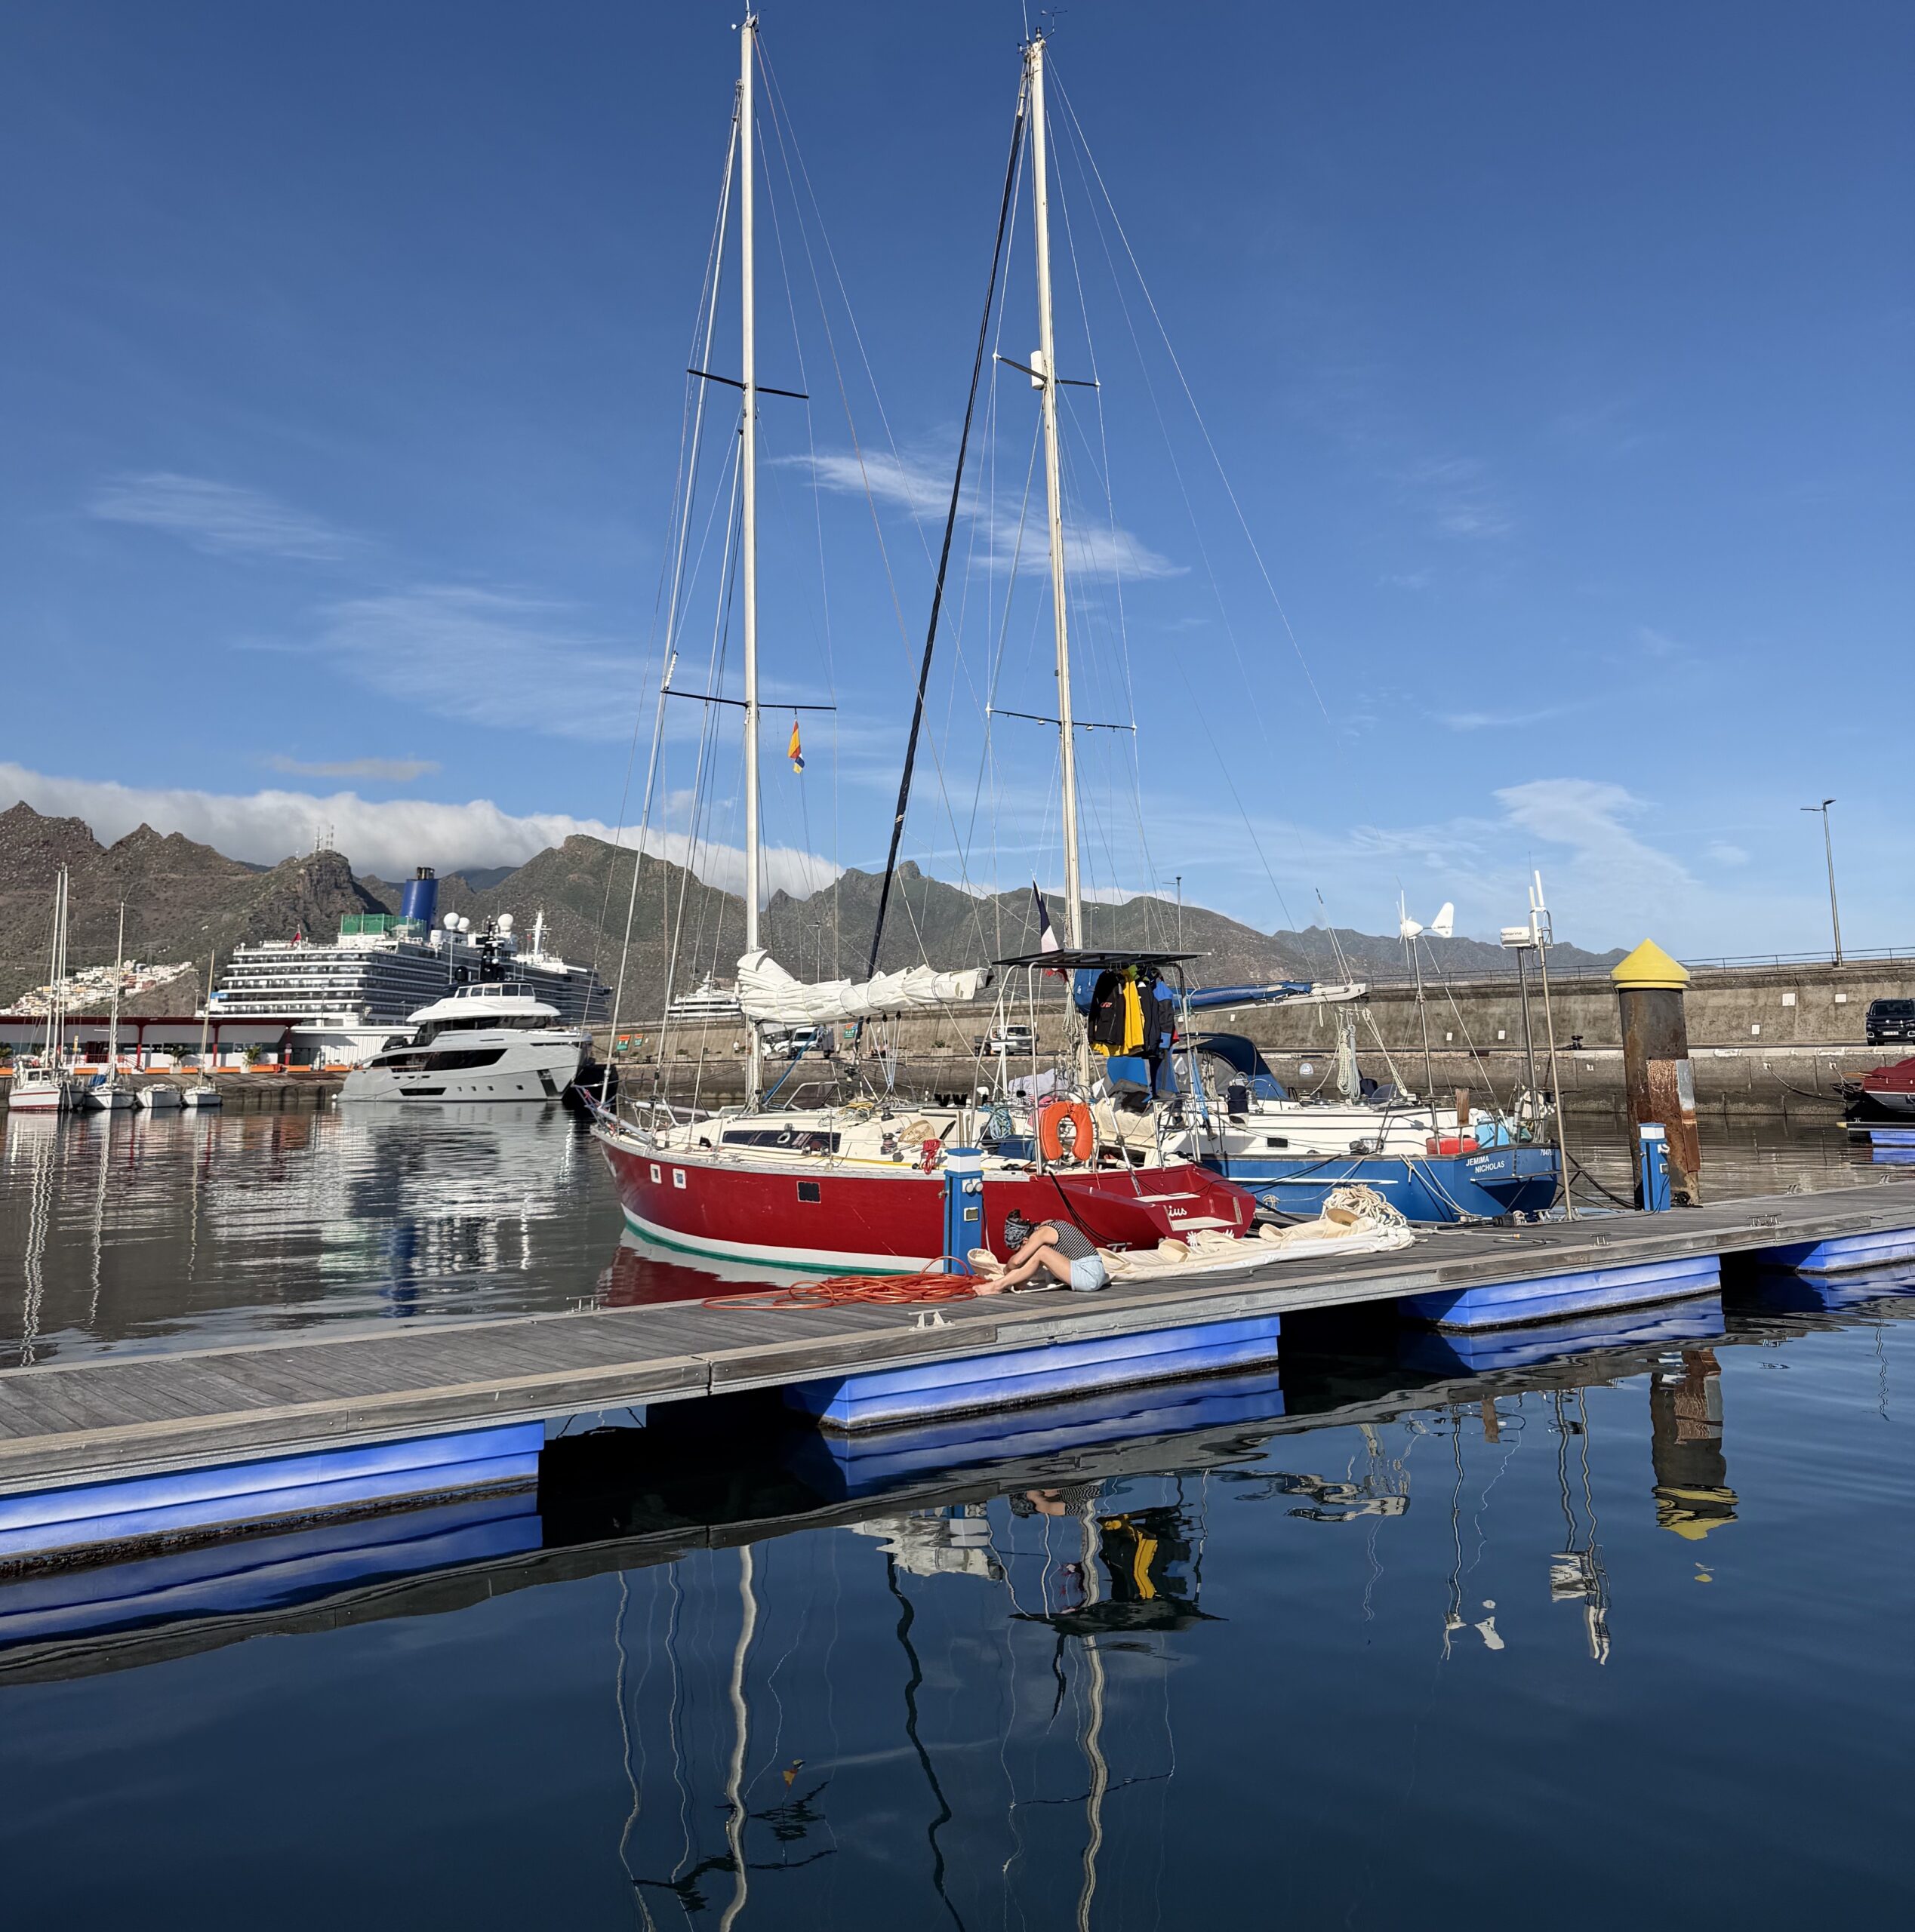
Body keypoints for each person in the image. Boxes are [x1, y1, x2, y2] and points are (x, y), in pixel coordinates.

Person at [984, 1210, 1109, 1294]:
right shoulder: (1048, 1225)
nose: (1021, 1252)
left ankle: (998, 1286)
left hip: (1089, 1276)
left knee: (1041, 1252)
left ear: (1026, 1240)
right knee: (1040, 1253)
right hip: (1093, 1273)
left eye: (1019, 1249)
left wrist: (1007, 1270)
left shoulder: (1041, 1234)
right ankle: (1004, 1283)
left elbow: (1017, 1261)